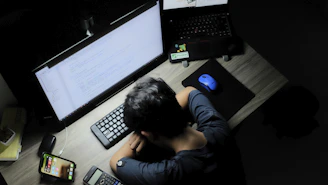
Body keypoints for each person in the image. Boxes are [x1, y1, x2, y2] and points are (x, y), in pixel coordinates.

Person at [109, 76, 231, 185]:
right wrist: (163, 108)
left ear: (149, 134)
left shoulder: (166, 174)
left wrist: (143, 134)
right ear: (176, 105)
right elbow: (189, 91)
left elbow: (116, 161)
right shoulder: (219, 128)